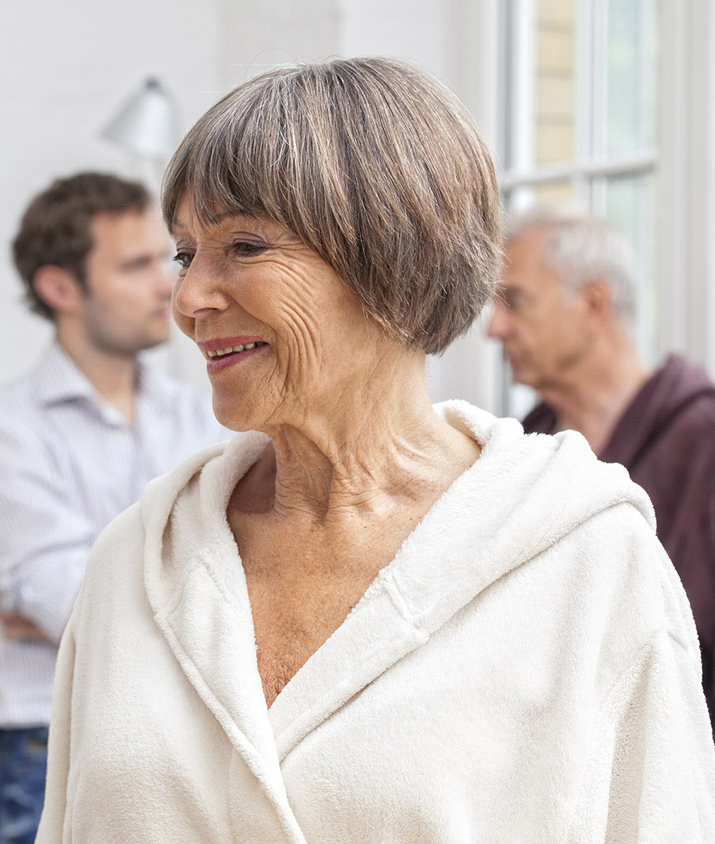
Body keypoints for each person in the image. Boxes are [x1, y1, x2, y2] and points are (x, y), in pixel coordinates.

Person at [35, 57, 715, 843]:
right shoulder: (136, 560)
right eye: (186, 254)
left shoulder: (588, 563)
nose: (188, 300)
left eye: (244, 246)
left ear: (392, 257)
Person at [0, 172, 226, 844]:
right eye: (136, 266)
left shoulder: (202, 414)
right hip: (52, 746)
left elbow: (252, 569)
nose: (170, 286)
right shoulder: (9, 432)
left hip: (184, 741)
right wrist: (199, 593)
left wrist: (102, 597)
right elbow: (67, 602)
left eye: (166, 259)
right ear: (61, 288)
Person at [487, 205, 715, 726]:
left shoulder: (704, 441)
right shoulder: (521, 451)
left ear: (594, 304)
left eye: (515, 302)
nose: (494, 328)